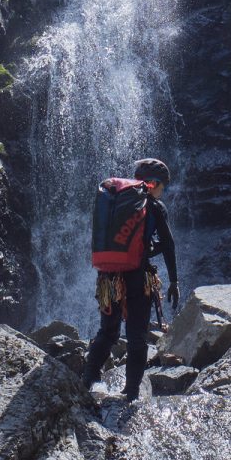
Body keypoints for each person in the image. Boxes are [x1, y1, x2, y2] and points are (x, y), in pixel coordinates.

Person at [81, 157, 179, 401]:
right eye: (163, 186)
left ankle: (87, 381)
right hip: (137, 278)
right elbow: (168, 245)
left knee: (108, 332)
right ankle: (131, 393)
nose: (162, 191)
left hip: (108, 278)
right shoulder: (154, 207)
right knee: (137, 336)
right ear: (154, 183)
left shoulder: (115, 202)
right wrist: (174, 281)